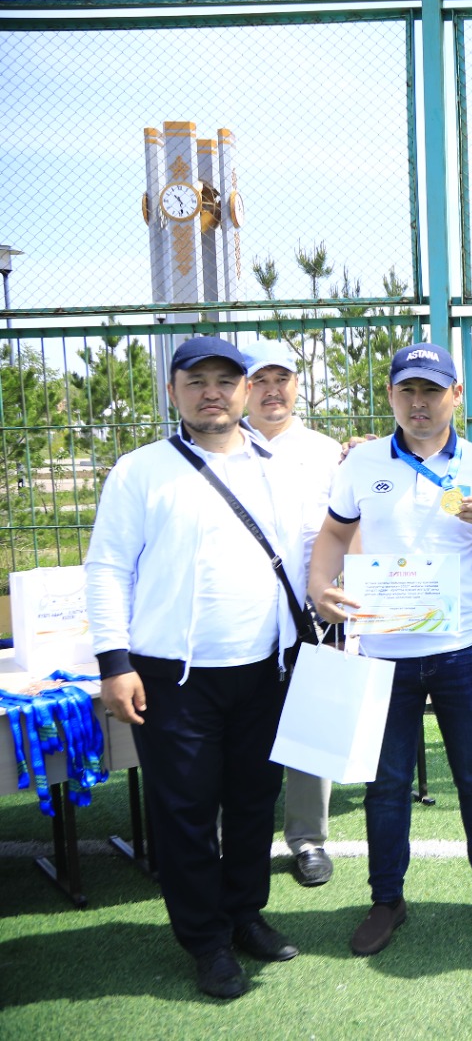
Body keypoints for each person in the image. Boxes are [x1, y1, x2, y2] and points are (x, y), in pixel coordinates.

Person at [85, 336, 315, 999]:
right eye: (196, 381)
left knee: (253, 802)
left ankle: (245, 915)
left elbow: (308, 550)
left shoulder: (277, 467)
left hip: (266, 669)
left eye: (225, 380)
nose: (211, 392)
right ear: (173, 391)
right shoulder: (140, 471)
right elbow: (107, 568)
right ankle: (206, 941)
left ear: (246, 390)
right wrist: (114, 662)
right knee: (186, 812)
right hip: (173, 677)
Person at [308, 343, 472, 955]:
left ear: (456, 395)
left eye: (431, 390)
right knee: (386, 782)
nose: (418, 402)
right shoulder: (363, 460)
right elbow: (334, 532)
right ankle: (387, 899)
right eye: (407, 390)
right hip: (383, 648)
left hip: (462, 648)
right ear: (391, 395)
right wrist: (319, 585)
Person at [240, 338, 347, 886]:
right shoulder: (221, 449)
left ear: (297, 386)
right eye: (259, 381)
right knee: (243, 734)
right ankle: (236, 839)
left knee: (312, 727)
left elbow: (347, 527)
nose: (271, 391)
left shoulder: (328, 452)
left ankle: (308, 840)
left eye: (281, 379)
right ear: (243, 389)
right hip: (244, 615)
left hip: (313, 613)